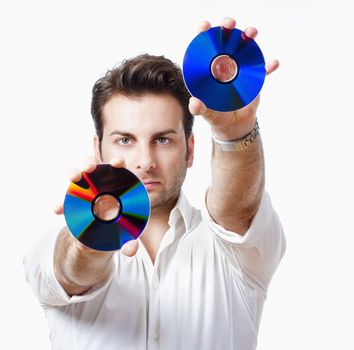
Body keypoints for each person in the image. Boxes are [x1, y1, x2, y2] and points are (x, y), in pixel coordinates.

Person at [24, 17, 286, 350]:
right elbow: (71, 272)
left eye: (162, 140)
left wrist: (235, 133)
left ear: (190, 150)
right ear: (98, 149)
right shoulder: (48, 246)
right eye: (124, 140)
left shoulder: (235, 252)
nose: (145, 160)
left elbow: (237, 210)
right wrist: (90, 242)